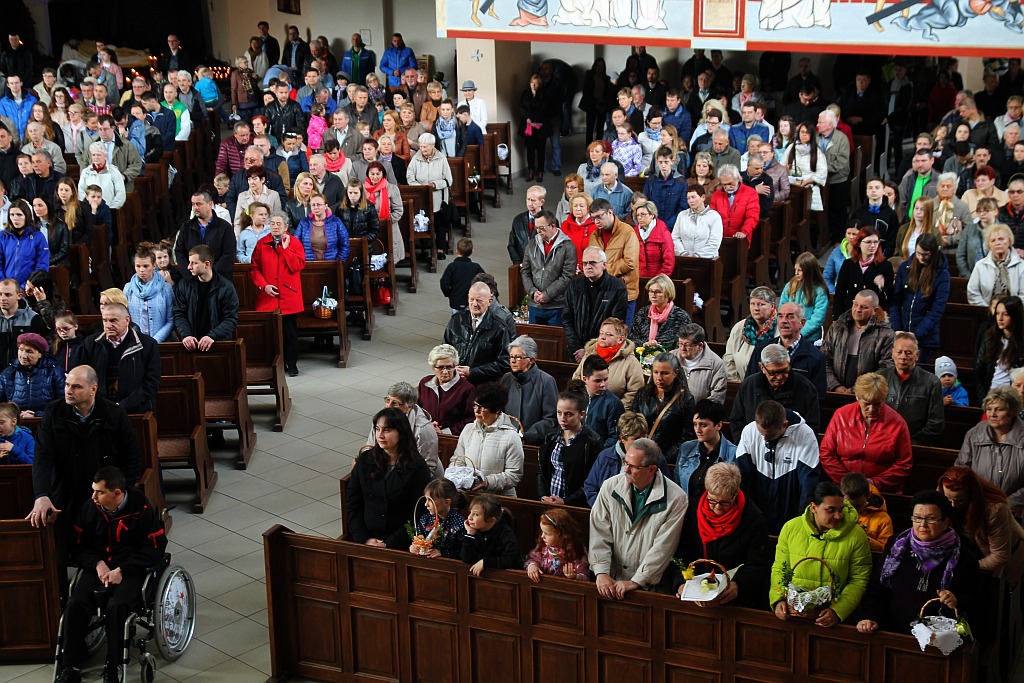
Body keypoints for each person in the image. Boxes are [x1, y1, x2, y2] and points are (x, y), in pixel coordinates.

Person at [28, 366, 143, 599]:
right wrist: (42, 495)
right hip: (66, 491)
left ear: (93, 389)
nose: (68, 390)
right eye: (67, 385)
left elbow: (132, 460)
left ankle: (110, 591)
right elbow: (43, 458)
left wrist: (119, 494)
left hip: (103, 494)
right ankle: (60, 600)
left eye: (76, 386)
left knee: (107, 545)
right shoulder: (54, 412)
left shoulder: (113, 414)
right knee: (56, 547)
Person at [55, 466, 167, 683]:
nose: (93, 496)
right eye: (93, 490)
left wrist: (123, 570)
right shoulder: (90, 508)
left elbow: (155, 548)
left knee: (117, 606)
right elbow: (77, 547)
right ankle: (70, 665)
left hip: (131, 568)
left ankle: (113, 665)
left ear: (116, 493)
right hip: (98, 566)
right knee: (75, 603)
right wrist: (97, 564)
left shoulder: (140, 509)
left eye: (99, 492)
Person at [857, 489, 979, 636]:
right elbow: (877, 587)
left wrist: (955, 600)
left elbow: (975, 602)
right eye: (917, 518)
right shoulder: (897, 546)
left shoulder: (964, 558)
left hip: (936, 637)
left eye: (930, 519)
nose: (923, 524)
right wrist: (870, 616)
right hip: (891, 632)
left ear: (946, 522)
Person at [590, 438, 688, 597]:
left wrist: (638, 580)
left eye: (633, 467)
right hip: (612, 578)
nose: (626, 470)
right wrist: (601, 572)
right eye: (625, 463)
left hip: (651, 587)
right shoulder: (609, 486)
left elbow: (663, 548)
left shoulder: (676, 498)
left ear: (652, 469)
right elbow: (599, 532)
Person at [768, 480, 873, 629]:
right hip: (793, 615)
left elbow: (858, 580)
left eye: (841, 509)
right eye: (831, 510)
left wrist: (837, 611)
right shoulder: (791, 528)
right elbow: (780, 568)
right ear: (813, 507)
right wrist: (778, 599)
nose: (838, 516)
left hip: (833, 622)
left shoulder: (856, 536)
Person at [673, 462, 773, 608]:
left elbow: (758, 563)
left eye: (725, 503)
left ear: (735, 495)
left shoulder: (753, 519)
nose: (718, 508)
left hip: (733, 599)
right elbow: (681, 552)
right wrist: (681, 583)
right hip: (696, 592)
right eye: (712, 501)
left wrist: (738, 584)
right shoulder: (692, 510)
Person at [347, 407, 432, 549]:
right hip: (366, 539)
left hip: (401, 543)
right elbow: (353, 503)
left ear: (401, 432)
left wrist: (389, 543)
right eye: (377, 429)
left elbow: (418, 513)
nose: (380, 435)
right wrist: (364, 538)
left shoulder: (417, 467)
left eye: (387, 430)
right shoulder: (365, 460)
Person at [735, 398, 821, 535]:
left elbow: (808, 484)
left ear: (784, 424)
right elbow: (741, 477)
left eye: (770, 435)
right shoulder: (749, 431)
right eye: (761, 433)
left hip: (790, 506)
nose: (764, 439)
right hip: (756, 510)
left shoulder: (805, 435)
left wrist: (800, 521)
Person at [941, 466, 1024, 586]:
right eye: (949, 499)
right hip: (973, 549)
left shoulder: (995, 509)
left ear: (972, 494)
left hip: (1006, 562)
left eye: (960, 501)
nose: (953, 505)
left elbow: (1000, 556)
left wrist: (963, 568)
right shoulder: (943, 491)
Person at [78, 303, 161, 415]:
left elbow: (152, 382)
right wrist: (101, 404)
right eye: (105, 320)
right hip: (100, 410)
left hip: (137, 410)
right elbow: (85, 377)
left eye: (113, 321)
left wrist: (123, 405)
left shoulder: (148, 344)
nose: (108, 325)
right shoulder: (91, 343)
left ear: (127, 320)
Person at [250, 212, 305, 377]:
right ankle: (273, 365)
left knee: (290, 333)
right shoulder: (262, 243)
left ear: (286, 226)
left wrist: (285, 250)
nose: (275, 226)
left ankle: (291, 364)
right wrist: (264, 285)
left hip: (289, 295)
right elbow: (254, 269)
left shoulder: (294, 243)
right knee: (271, 333)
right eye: (272, 223)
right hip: (268, 296)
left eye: (279, 224)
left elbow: (297, 266)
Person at [450, 383, 525, 496]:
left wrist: (486, 482)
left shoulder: (511, 436)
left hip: (498, 497)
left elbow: (513, 475)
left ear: (497, 410)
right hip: (470, 495)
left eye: (482, 407)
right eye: (475, 405)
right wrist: (458, 478)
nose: (476, 411)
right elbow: (458, 460)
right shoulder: (468, 429)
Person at [956, 386, 1024, 506]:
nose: (992, 414)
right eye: (989, 409)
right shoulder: (974, 434)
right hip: (978, 504)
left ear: (1012, 412)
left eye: (999, 410)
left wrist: (1005, 504)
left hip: (1016, 509)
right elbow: (961, 470)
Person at [743, 302, 828, 397]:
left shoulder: (815, 356)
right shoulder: (761, 349)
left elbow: (817, 396)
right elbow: (749, 386)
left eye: (790, 317)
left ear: (802, 323)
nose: (784, 321)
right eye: (780, 316)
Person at [538, 389, 603, 506]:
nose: (562, 418)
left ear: (581, 414)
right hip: (549, 502)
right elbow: (541, 471)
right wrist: (543, 497)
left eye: (568, 414)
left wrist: (566, 501)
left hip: (576, 505)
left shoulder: (592, 442)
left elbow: (593, 481)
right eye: (559, 413)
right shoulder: (551, 436)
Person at [563, 246, 628, 362]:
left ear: (604, 265)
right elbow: (567, 320)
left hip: (603, 353)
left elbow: (615, 324)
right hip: (576, 352)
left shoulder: (618, 288)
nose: (588, 266)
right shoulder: (574, 286)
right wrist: (577, 348)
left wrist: (590, 350)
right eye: (585, 263)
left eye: (592, 263)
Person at [822, 290, 895, 393]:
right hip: (835, 392)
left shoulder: (886, 335)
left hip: (867, 395)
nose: (858, 309)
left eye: (864, 307)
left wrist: (856, 389)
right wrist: (834, 386)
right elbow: (824, 359)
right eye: (855, 304)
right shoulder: (837, 327)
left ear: (875, 310)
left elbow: (886, 369)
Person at [443, 282, 515, 385]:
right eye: (471, 299)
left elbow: (504, 363)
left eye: (479, 300)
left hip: (483, 386)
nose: (474, 304)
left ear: (490, 301)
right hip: (455, 382)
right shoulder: (456, 320)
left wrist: (472, 372)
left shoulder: (499, 328)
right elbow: (444, 350)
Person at [172, 245, 239, 352]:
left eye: (194, 263)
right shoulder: (184, 285)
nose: (189, 267)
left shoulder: (226, 287)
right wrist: (186, 335)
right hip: (192, 345)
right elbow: (179, 313)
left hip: (218, 344)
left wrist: (212, 336)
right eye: (189, 262)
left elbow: (230, 319)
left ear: (207, 264)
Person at [632, 353, 696, 460]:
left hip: (668, 458)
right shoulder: (642, 394)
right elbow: (633, 424)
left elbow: (687, 436)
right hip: (641, 454)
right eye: (655, 372)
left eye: (664, 373)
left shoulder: (686, 399)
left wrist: (664, 458)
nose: (659, 377)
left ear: (675, 373)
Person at [572, 317, 645, 409]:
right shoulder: (590, 354)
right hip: (585, 406)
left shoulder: (631, 361)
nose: (602, 337)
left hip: (614, 411)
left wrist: (614, 409)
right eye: (601, 333)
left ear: (620, 339)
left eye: (608, 334)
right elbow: (577, 378)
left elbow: (634, 392)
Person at [520, 209, 576, 326]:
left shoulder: (567, 247)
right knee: (534, 336)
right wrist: (532, 291)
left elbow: (567, 276)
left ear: (553, 226)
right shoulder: (531, 245)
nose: (538, 231)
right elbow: (525, 271)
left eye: (542, 228)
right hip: (534, 304)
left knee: (554, 337)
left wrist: (547, 294)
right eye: (536, 228)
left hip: (557, 305)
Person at [588, 197, 640, 324]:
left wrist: (603, 271)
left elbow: (629, 262)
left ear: (610, 212)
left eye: (599, 217)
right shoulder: (594, 235)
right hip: (601, 292)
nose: (596, 221)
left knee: (621, 330)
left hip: (624, 291)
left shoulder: (627, 232)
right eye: (593, 218)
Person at [500, 335, 558, 445]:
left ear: (531, 360)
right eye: (511, 357)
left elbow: (551, 419)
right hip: (505, 441)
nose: (513, 361)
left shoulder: (546, 381)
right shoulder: (506, 379)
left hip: (533, 443)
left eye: (517, 357)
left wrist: (526, 436)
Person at [406, 133, 453, 258]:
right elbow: (410, 178)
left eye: (425, 147)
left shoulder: (441, 158)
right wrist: (421, 187)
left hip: (438, 196)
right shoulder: (415, 159)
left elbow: (449, 180)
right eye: (421, 146)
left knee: (439, 223)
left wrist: (434, 185)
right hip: (421, 196)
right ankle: (424, 249)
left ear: (433, 146)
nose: (423, 149)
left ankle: (440, 249)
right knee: (422, 222)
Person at [175, 190, 236, 281]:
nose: (195, 207)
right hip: (192, 280)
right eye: (193, 204)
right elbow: (180, 252)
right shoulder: (187, 227)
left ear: (210, 204)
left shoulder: (224, 227)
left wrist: (209, 275)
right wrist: (190, 274)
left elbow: (228, 254)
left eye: (199, 204)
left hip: (218, 280)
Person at [834, 225, 895, 316]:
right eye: (868, 242)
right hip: (852, 314)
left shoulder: (885, 266)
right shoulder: (848, 264)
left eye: (876, 242)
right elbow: (840, 294)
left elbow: (890, 298)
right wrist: (837, 318)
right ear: (859, 243)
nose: (873, 246)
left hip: (874, 316)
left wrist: (883, 286)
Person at [0, 333, 64, 416]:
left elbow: (62, 404)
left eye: (29, 351)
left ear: (40, 354)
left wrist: (37, 415)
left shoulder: (55, 372)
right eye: (21, 350)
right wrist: (16, 415)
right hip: (15, 421)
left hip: (45, 420)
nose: (23, 356)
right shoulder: (8, 373)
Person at [418, 344, 476, 436]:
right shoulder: (425, 383)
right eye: (440, 367)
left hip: (451, 438)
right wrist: (428, 426)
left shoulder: (467, 389)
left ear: (455, 366)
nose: (445, 372)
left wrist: (445, 432)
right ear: (433, 367)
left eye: (449, 367)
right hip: (426, 434)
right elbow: (418, 410)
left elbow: (470, 419)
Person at [975, 295, 1024, 403]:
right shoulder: (989, 337)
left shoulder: (1021, 342)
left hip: (1013, 398)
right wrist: (983, 399)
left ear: (1015, 316)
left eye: (1005, 314)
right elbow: (979, 369)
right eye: (997, 313)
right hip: (990, 394)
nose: (1000, 318)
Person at [460, 494, 520, 577]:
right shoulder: (473, 530)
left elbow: (511, 559)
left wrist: (485, 562)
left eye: (476, 514)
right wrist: (470, 534)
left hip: (505, 577)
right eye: (470, 512)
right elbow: (466, 559)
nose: (469, 517)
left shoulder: (506, 533)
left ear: (491, 520)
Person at [628, 274, 692, 351]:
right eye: (651, 291)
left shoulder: (681, 317)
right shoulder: (643, 313)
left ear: (668, 293)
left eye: (657, 292)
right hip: (642, 354)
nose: (653, 295)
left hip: (669, 356)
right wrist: (644, 344)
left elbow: (684, 344)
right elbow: (632, 338)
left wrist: (659, 349)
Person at [525, 508, 590, 582]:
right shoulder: (542, 547)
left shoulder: (576, 551)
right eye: (542, 532)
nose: (542, 536)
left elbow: (585, 577)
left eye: (547, 533)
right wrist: (532, 566)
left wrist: (574, 576)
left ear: (563, 535)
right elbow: (532, 559)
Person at [967, 224, 1024, 306]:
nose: (997, 243)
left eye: (1001, 239)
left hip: (1015, 311)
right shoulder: (980, 266)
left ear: (1009, 241)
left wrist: (1011, 310)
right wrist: (989, 309)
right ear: (988, 245)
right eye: (993, 240)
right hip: (985, 310)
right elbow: (973, 293)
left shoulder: (1021, 265)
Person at [409, 478, 465, 559]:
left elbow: (463, 552)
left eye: (430, 500)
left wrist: (443, 553)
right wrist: (414, 547)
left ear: (447, 502)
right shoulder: (425, 520)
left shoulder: (460, 524)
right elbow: (420, 538)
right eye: (426, 499)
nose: (426, 504)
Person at [778, 253, 829, 343]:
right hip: (789, 334)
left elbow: (817, 318)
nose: (796, 273)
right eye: (795, 269)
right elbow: (782, 308)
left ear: (809, 271)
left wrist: (798, 333)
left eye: (800, 270)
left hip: (809, 338)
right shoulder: (790, 286)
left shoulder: (819, 291)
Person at [0, 278, 49, 369]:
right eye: (0, 294)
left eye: (8, 295)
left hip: (25, 373)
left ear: (19, 296)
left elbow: (41, 352)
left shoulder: (33, 319)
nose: (2, 298)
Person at [841, 472, 894, 553]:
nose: (853, 510)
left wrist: (864, 539)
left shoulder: (883, 519)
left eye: (858, 506)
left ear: (868, 495)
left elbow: (886, 549)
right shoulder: (837, 513)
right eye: (848, 506)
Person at [0, 199, 49, 285]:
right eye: (12, 215)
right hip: (6, 288)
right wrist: (5, 285)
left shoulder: (38, 237)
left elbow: (41, 267)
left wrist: (26, 286)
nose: (15, 218)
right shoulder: (3, 236)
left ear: (27, 216)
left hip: (29, 287)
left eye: (19, 215)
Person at [848, 178, 900, 258]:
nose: (873, 190)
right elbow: (852, 237)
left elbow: (892, 242)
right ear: (867, 192)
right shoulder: (858, 213)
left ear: (883, 191)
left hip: (882, 257)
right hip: (861, 257)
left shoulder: (891, 215)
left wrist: (883, 258)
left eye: (877, 187)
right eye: (870, 188)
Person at [676, 324, 727, 404]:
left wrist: (699, 412)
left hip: (700, 411)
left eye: (686, 345)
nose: (682, 348)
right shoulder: (671, 358)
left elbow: (716, 399)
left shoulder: (716, 364)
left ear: (700, 346)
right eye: (680, 344)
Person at [294, 192, 350, 263]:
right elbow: (295, 244)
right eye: (313, 205)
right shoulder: (304, 223)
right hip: (308, 265)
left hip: (332, 264)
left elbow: (345, 244)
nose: (316, 207)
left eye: (319, 204)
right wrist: (301, 261)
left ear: (325, 206)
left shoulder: (336, 221)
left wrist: (339, 261)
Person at [672, 183, 722, 258]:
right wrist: (684, 254)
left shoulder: (714, 216)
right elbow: (675, 238)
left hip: (707, 260)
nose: (690, 201)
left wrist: (697, 257)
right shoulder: (682, 215)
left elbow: (714, 243)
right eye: (688, 198)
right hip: (684, 258)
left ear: (703, 197)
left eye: (693, 197)